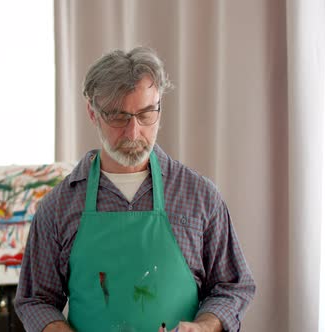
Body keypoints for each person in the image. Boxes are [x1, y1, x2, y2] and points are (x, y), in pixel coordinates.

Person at [14, 46, 255, 332]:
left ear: (159, 106)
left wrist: (204, 326)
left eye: (145, 114)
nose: (133, 132)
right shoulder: (58, 206)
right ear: (92, 112)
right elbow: (35, 300)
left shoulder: (200, 196)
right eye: (118, 116)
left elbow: (232, 286)